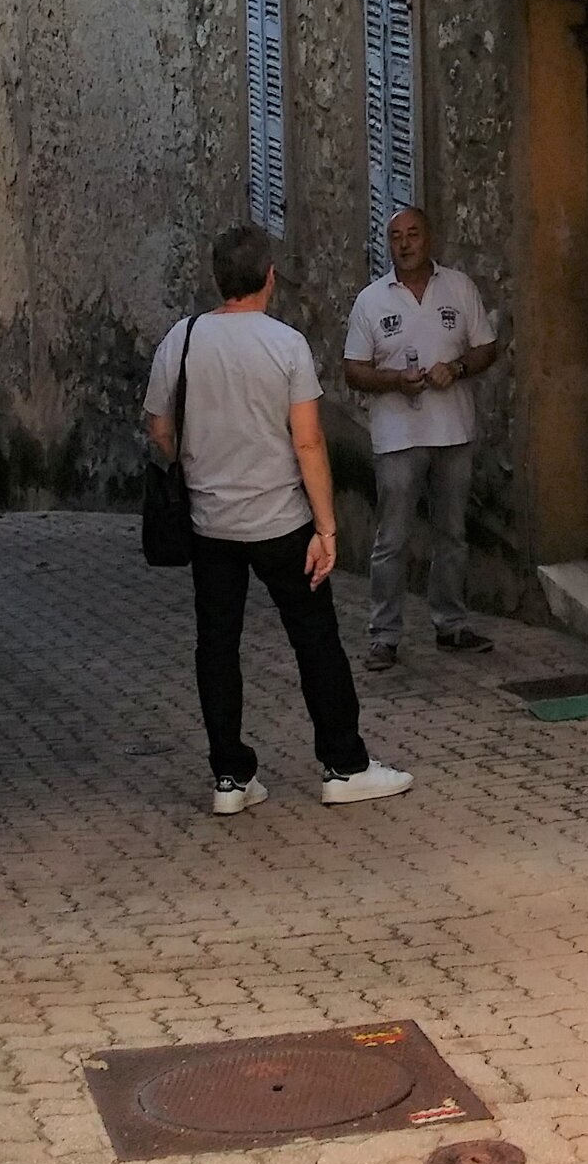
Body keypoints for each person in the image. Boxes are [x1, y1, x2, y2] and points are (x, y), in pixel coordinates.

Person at [145, 222, 410, 816]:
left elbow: (160, 426)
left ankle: (230, 779)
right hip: (281, 521)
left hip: (211, 523)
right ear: (269, 278)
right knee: (315, 639)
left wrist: (191, 458)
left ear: (217, 279)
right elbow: (309, 443)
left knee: (216, 645)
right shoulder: (287, 345)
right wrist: (328, 528)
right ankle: (343, 764)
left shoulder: (181, 341)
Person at [344, 206, 497, 672]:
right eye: (396, 237)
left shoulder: (459, 288)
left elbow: (486, 347)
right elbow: (353, 370)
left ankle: (450, 623)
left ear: (429, 239)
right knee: (392, 537)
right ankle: (384, 635)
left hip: (454, 431)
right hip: (398, 436)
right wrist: (395, 381)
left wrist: (457, 368)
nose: (405, 244)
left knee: (452, 533)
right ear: (388, 244)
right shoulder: (371, 301)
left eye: (413, 234)